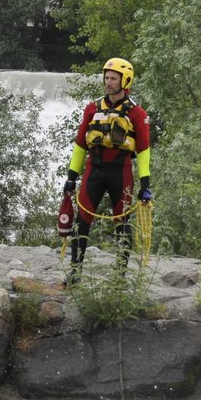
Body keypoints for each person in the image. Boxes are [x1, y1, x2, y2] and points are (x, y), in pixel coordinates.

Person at [63, 56, 152, 281]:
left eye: (113, 78)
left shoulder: (137, 114)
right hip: (94, 171)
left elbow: (143, 151)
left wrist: (145, 186)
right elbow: (80, 144)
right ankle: (75, 274)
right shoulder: (92, 108)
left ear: (126, 80)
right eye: (107, 77)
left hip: (120, 173)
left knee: (122, 224)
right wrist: (71, 177)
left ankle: (120, 277)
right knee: (81, 222)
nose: (108, 82)